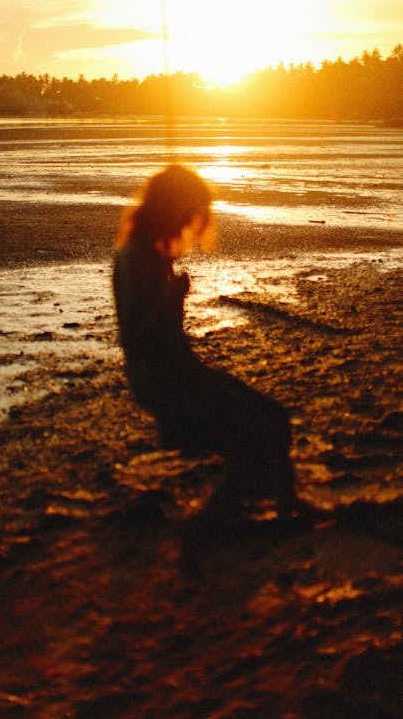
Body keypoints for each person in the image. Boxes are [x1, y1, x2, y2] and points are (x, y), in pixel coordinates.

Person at [112, 164, 299, 540]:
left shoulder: (152, 252)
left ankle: (285, 504)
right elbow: (136, 333)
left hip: (183, 373)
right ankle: (208, 524)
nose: (189, 220)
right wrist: (169, 298)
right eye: (186, 210)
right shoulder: (136, 257)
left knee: (274, 419)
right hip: (164, 383)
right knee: (259, 434)